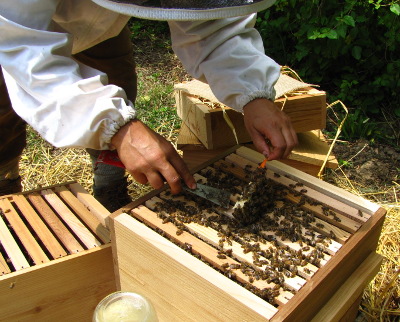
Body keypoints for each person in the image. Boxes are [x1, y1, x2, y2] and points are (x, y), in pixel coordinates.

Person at [0, 0, 298, 211]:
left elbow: (210, 23)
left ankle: (109, 185)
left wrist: (252, 93)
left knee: (119, 91)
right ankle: (6, 202)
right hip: (11, 31)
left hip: (100, 20)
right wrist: (118, 129)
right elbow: (19, 47)